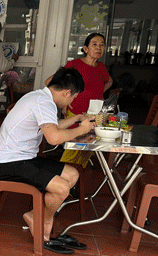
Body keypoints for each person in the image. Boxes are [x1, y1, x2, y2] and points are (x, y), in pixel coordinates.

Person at [0, 67, 96, 254]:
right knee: (62, 188)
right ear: (66, 92)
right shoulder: (43, 103)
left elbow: (52, 127)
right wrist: (81, 130)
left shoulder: (40, 97)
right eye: (72, 98)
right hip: (10, 163)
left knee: (72, 174)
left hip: (23, 158)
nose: (71, 102)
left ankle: (35, 215)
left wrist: (77, 120)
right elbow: (54, 138)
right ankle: (44, 221)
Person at [48, 32, 114, 167]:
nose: (98, 48)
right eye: (94, 44)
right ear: (85, 49)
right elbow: (51, 82)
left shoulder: (101, 67)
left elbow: (109, 81)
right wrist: (63, 103)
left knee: (87, 149)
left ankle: (76, 180)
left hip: (94, 115)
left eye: (102, 45)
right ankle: (62, 177)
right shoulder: (75, 64)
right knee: (73, 149)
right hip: (76, 114)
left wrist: (99, 92)